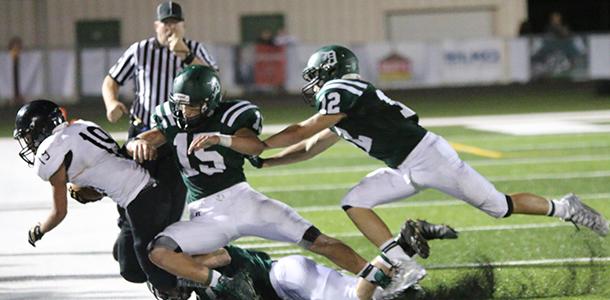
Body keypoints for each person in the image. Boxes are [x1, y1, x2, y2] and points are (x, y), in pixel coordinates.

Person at [251, 45, 609, 273]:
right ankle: (402, 263)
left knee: (499, 206)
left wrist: (261, 144)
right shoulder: (343, 110)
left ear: (329, 71)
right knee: (354, 201)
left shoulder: (342, 90)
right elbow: (308, 146)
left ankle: (565, 207)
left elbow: (302, 129)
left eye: (315, 77)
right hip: (404, 167)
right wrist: (267, 161)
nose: (313, 86)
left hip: (430, 158)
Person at [124, 65, 428, 297]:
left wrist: (221, 138)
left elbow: (254, 146)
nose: (183, 111)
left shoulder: (233, 116)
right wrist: (137, 142)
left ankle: (387, 281)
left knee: (320, 242)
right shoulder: (170, 117)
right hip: (206, 213)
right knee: (159, 252)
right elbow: (151, 137)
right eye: (179, 103)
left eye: (191, 105)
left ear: (210, 102)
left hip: (244, 201)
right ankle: (225, 286)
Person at [12, 99, 204, 298]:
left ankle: (208, 278)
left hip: (142, 200)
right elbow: (108, 169)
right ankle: (188, 268)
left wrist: (39, 230)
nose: (28, 142)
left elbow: (59, 212)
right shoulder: (82, 126)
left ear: (39, 129)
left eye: (27, 136)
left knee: (157, 274)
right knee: (129, 264)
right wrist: (90, 190)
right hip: (145, 196)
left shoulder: (50, 151)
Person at [101, 1, 218, 284]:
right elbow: (111, 80)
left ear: (183, 25)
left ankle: (163, 258)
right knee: (132, 195)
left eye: (174, 22)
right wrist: (112, 102)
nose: (169, 27)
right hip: (142, 134)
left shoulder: (194, 49)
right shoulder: (140, 50)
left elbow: (214, 81)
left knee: (171, 199)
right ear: (156, 26)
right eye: (165, 23)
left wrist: (186, 55)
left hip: (177, 136)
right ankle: (129, 233)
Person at [189, 219, 455, 300]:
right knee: (368, 295)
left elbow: (221, 255)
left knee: (356, 298)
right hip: (289, 282)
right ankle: (400, 272)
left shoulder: (207, 259)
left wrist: (184, 271)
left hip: (284, 278)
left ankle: (404, 243)